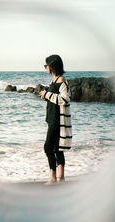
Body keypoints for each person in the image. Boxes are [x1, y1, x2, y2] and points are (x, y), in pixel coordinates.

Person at [39, 54, 72, 185]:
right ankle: (60, 178)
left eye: (46, 65)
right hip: (52, 118)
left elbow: (65, 99)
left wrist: (47, 94)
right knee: (56, 148)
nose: (45, 67)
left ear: (52, 66)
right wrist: (45, 96)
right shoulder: (54, 81)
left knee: (48, 147)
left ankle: (54, 178)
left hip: (57, 120)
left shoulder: (61, 81)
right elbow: (54, 98)